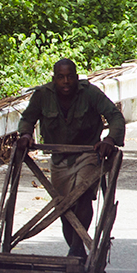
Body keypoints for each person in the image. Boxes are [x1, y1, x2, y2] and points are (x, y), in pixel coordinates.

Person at [16, 58, 125, 257]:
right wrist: (25, 135)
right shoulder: (42, 95)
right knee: (64, 208)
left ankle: (76, 248)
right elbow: (27, 119)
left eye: (69, 77)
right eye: (60, 78)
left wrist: (110, 139)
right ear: (54, 79)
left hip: (88, 155)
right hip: (59, 158)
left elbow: (115, 116)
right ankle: (78, 252)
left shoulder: (90, 93)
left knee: (83, 197)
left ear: (76, 78)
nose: (65, 82)